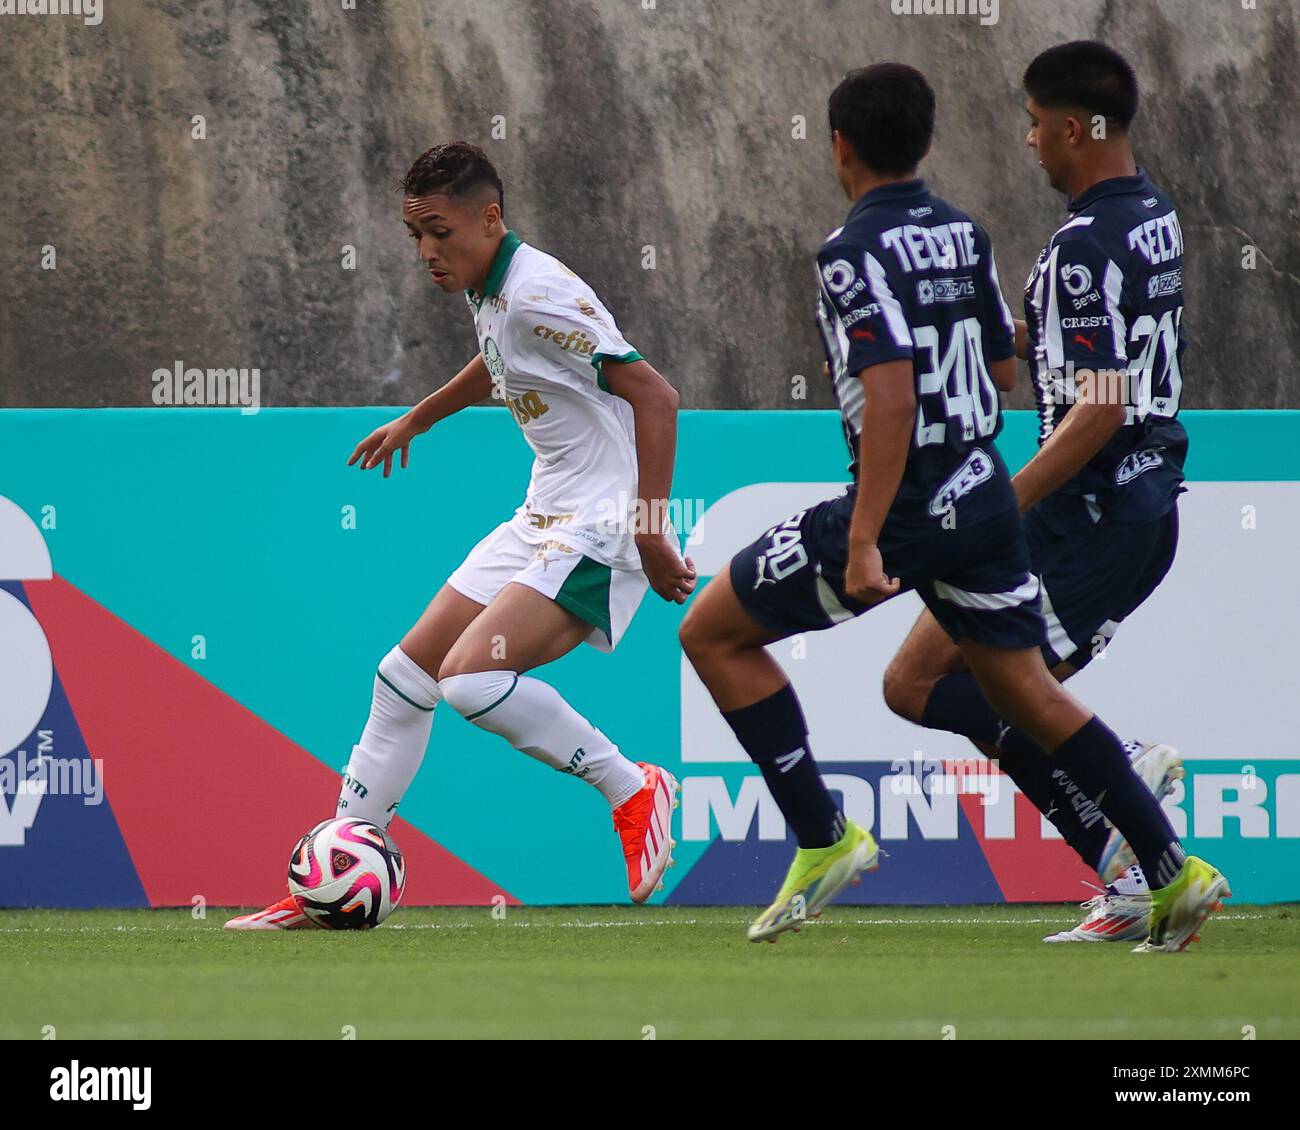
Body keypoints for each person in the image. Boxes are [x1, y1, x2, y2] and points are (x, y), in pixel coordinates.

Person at [678, 63, 1228, 952]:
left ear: (840, 147)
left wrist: (865, 538)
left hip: (927, 506)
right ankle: (1166, 870)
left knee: (710, 631)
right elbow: (1002, 372)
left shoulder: (852, 251)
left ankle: (823, 836)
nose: (1029, 134)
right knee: (1008, 694)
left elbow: (892, 397)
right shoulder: (971, 232)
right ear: (927, 142)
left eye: (1036, 120)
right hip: (985, 502)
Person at [228, 142, 694, 929]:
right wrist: (418, 417)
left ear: (490, 217)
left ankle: (633, 787)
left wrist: (651, 530)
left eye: (440, 232)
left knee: (471, 680)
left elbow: (657, 395)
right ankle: (338, 871)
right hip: (544, 513)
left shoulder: (540, 292)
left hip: (605, 522)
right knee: (402, 677)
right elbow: (497, 361)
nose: (426, 252)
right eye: (416, 235)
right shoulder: (492, 289)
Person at [883, 41, 1195, 943]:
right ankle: (1123, 846)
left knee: (989, 696)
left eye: (1031, 124)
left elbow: (1098, 407)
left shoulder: (1083, 244)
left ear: (1069, 128)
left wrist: (1001, 501)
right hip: (1128, 507)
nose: (1028, 142)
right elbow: (1099, 354)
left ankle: (1129, 808)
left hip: (1088, 519)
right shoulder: (1150, 216)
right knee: (913, 681)